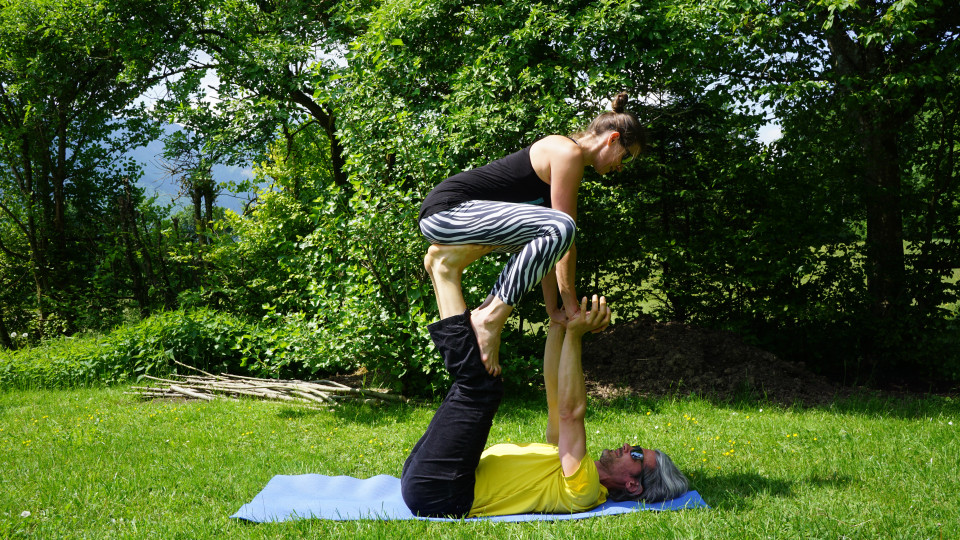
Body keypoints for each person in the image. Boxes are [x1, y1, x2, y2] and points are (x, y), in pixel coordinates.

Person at [419, 93, 646, 377]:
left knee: (553, 231)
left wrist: (554, 309)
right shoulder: (567, 152)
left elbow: (549, 249)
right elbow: (566, 240)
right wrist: (573, 308)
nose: (621, 166)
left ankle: (483, 314)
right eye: (625, 156)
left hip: (450, 219)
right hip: (448, 213)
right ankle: (488, 320)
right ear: (612, 139)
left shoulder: (568, 160)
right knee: (563, 227)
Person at [400, 296, 689, 518]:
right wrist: (557, 325)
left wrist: (576, 336)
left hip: (442, 492)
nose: (628, 446)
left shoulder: (585, 487)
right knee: (476, 383)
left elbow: (570, 413)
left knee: (481, 387)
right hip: (437, 479)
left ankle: (443, 272)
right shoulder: (569, 465)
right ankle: (441, 272)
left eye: (637, 454)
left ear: (632, 486)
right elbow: (555, 397)